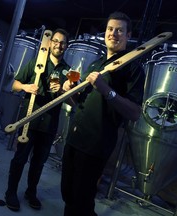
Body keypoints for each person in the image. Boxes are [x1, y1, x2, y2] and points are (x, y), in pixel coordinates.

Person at [60, 12, 146, 216]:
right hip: (74, 138)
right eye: (110, 29)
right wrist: (67, 93)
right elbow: (80, 104)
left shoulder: (133, 69)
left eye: (119, 30)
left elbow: (134, 113)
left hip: (95, 145)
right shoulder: (96, 64)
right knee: (68, 194)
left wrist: (105, 89)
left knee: (80, 201)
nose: (113, 34)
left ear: (128, 35)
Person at [5, 28, 70, 211]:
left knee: (39, 162)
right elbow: (14, 85)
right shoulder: (36, 62)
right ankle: (11, 191)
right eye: (55, 41)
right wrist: (26, 87)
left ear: (67, 46)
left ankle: (30, 192)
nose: (58, 45)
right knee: (20, 159)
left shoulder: (67, 70)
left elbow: (71, 100)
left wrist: (62, 91)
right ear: (50, 43)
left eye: (62, 42)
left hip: (49, 124)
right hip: (29, 121)